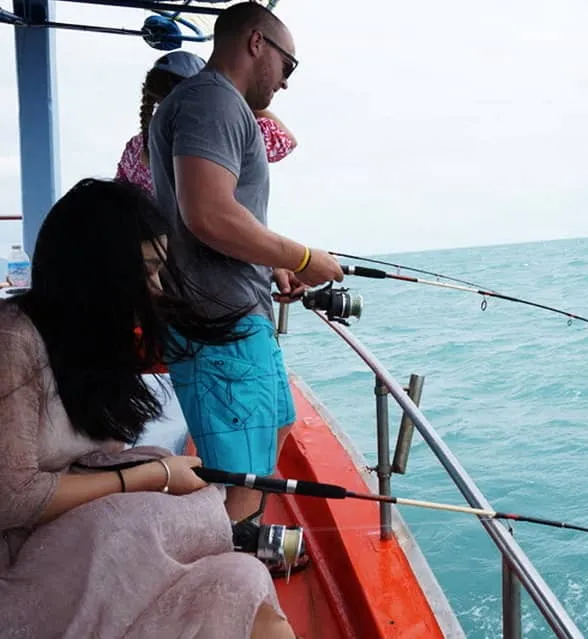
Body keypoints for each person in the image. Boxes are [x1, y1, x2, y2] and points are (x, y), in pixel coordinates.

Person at [0, 178, 296, 639]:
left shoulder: (91, 339)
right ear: (94, 271)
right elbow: (13, 499)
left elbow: (100, 456)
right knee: (145, 509)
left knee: (242, 580)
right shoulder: (12, 342)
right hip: (22, 559)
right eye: (147, 271)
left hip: (71, 541)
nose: (157, 288)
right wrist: (154, 476)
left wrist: (155, 471)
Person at [149, 1, 344, 523]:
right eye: (288, 65)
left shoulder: (218, 104)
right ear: (257, 42)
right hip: (219, 327)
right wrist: (303, 256)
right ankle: (234, 560)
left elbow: (218, 216)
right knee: (243, 483)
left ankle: (243, 544)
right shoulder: (212, 101)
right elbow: (208, 213)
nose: (286, 82)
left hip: (238, 318)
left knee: (277, 426)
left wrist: (271, 263)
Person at [116, 49, 299, 194]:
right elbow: (286, 141)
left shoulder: (135, 148)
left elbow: (118, 196)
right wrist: (236, 93)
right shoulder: (219, 134)